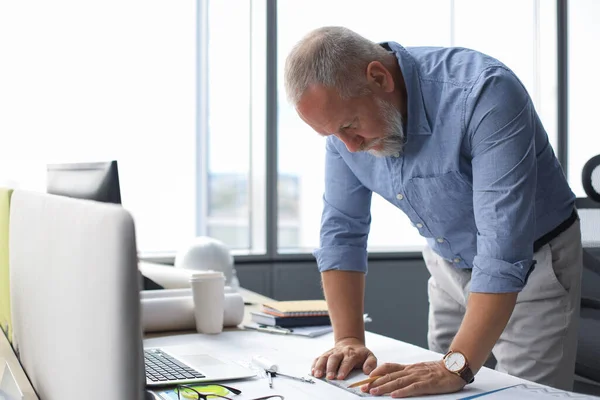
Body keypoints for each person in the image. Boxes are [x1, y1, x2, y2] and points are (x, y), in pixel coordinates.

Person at [284, 26, 583, 398]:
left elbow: (503, 249)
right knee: (434, 391)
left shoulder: (484, 92)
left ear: (379, 77)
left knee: (525, 394)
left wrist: (456, 364)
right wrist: (348, 338)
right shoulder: (344, 135)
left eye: (349, 127)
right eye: (333, 135)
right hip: (448, 265)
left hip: (534, 267)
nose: (350, 147)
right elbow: (342, 232)